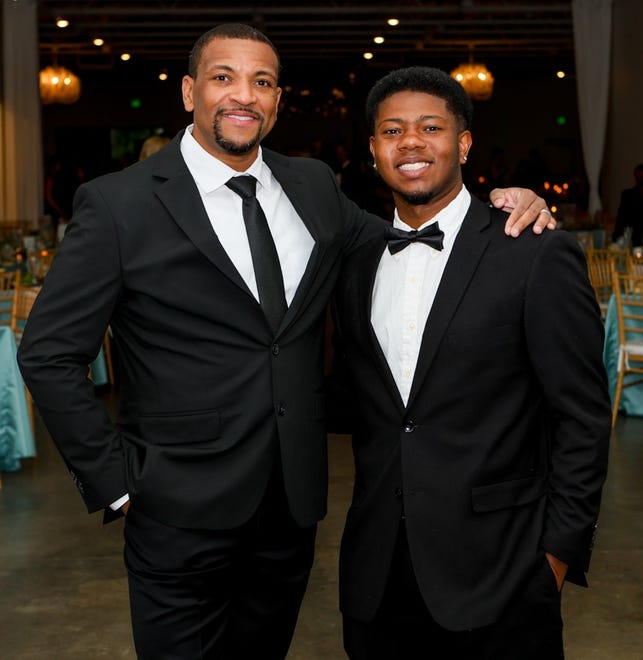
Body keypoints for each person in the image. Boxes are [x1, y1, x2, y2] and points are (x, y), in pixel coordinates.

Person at [18, 24, 552, 660]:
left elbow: (408, 234)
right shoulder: (118, 204)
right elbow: (48, 354)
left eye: (262, 82)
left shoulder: (313, 186)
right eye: (224, 78)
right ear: (190, 92)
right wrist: (120, 484)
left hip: (290, 512)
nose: (243, 95)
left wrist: (504, 204)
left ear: (276, 100)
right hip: (175, 511)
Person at [331, 66, 611, 660]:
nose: (410, 142)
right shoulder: (355, 263)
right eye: (391, 130)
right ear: (374, 147)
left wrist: (555, 559)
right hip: (377, 579)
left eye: (430, 127)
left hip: (503, 576)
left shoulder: (533, 251)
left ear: (462, 144)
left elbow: (583, 419)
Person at [611, 163, 643, 248]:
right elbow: (621, 219)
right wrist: (616, 239)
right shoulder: (628, 195)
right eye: (639, 176)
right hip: (633, 239)